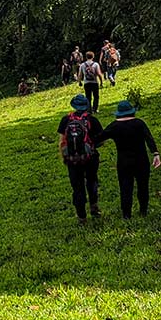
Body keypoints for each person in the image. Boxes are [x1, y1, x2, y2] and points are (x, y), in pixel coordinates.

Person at [97, 99, 161, 217]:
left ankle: (126, 214)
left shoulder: (114, 126)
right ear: (132, 112)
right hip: (141, 160)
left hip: (123, 162)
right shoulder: (139, 123)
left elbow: (98, 138)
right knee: (143, 186)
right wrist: (155, 153)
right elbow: (149, 138)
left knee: (125, 188)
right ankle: (143, 211)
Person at [58, 93, 104, 223]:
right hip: (90, 158)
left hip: (72, 160)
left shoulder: (65, 120)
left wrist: (64, 157)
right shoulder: (92, 120)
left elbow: (61, 141)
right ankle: (94, 207)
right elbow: (101, 141)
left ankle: (81, 216)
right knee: (92, 181)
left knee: (77, 187)